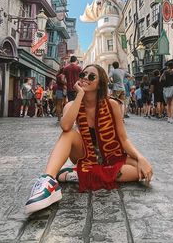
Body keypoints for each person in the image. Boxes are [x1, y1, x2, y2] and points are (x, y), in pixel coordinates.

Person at [25, 64, 153, 214]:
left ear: (100, 84)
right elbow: (65, 126)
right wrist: (79, 95)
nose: (85, 78)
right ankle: (48, 180)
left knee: (143, 170)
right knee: (69, 134)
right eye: (83, 75)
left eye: (91, 76)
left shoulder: (112, 104)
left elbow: (124, 139)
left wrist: (141, 157)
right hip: (84, 154)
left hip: (112, 156)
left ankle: (78, 174)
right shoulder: (72, 105)